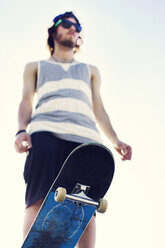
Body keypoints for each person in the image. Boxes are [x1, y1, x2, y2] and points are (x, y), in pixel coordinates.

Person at [15, 11, 132, 248]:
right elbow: (26, 100)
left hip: (85, 139)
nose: (73, 29)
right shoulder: (35, 67)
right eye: (67, 24)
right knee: (38, 199)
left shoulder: (90, 71)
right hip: (44, 133)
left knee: (85, 205)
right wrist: (20, 130)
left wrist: (115, 139)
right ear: (54, 30)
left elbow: (98, 109)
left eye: (78, 28)